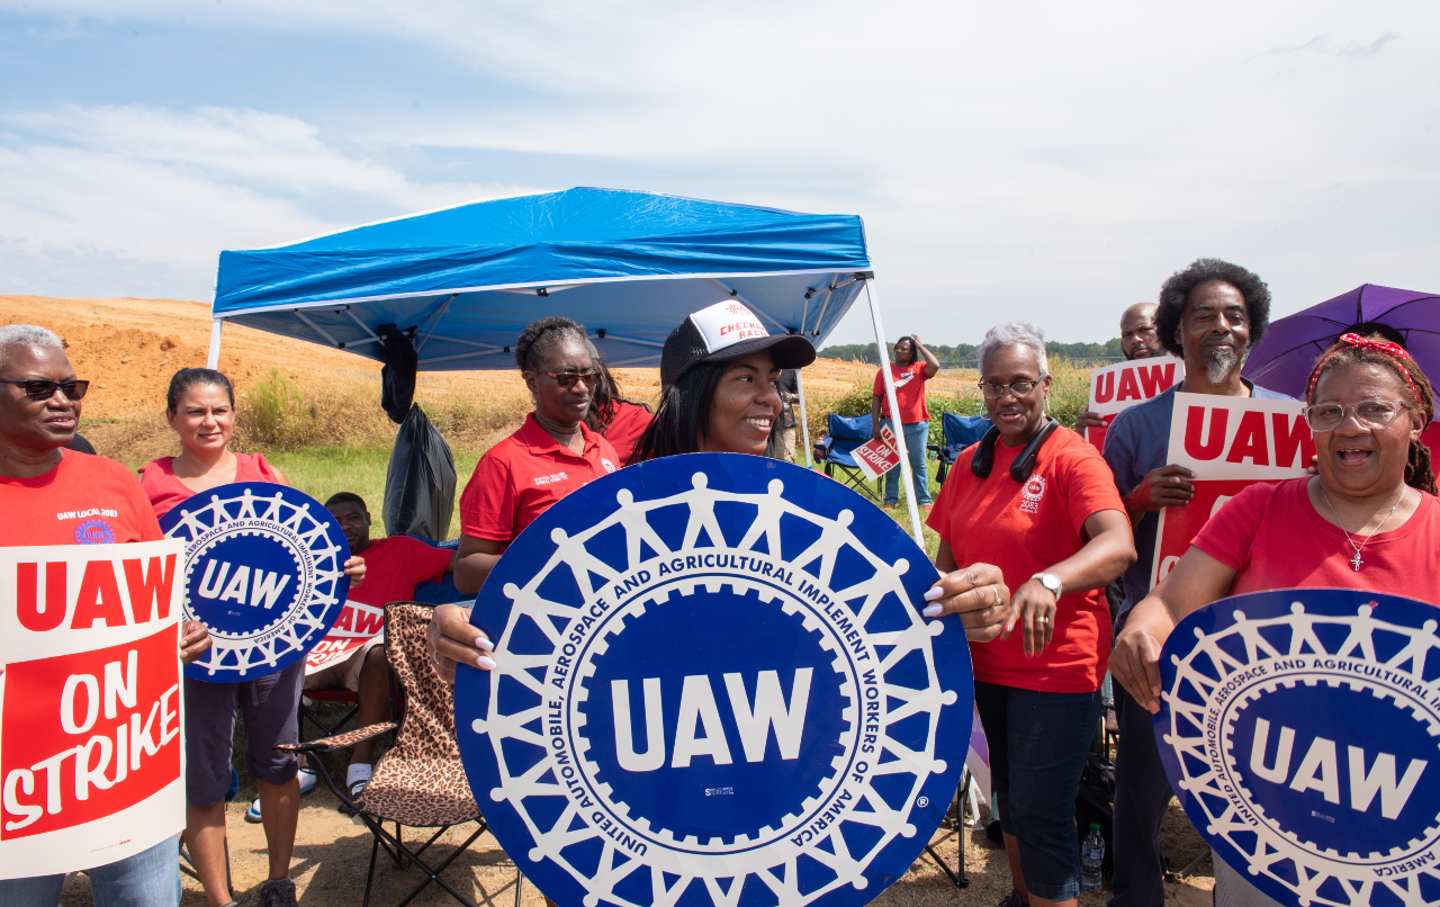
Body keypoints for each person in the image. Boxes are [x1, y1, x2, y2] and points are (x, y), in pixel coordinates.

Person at [1111, 332, 1440, 905]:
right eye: (1329, 411)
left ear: (1414, 422)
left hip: (1404, 834)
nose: (1350, 426)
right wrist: (1141, 630)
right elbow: (1167, 603)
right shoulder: (1257, 508)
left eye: (1374, 409)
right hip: (1265, 821)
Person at [430, 298, 817, 681]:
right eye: (746, 378)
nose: (771, 399)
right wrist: (464, 618)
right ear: (696, 392)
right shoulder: (644, 502)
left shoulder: (802, 508)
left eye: (773, 380)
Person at [922, 321, 1134, 907]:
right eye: (993, 386)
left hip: (1056, 668)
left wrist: (1051, 578)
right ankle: (1024, 896)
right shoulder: (968, 462)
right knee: (1011, 802)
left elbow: (1118, 545)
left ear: (1044, 384)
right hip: (988, 665)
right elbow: (947, 561)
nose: (1006, 398)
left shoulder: (1074, 460)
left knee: (1041, 813)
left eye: (1020, 384)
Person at [0, 325, 210, 907]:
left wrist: (177, 632)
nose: (63, 400)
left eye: (72, 386)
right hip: (17, 775)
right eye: (39, 387)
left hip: (127, 755)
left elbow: (157, 599)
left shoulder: (115, 481)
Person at [140, 367, 365, 907]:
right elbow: (134, 577)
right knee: (204, 774)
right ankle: (221, 898)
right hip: (195, 657)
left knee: (280, 760)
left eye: (219, 410)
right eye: (195, 411)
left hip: (273, 647)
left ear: (234, 415)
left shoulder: (264, 471)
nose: (209, 421)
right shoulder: (148, 484)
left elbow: (300, 549)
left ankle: (279, 882)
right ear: (172, 417)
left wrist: (339, 568)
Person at [1102, 259, 1284, 907]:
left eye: (1234, 314)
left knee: (1261, 787)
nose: (1221, 326)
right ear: (1179, 329)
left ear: (1252, 326)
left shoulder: (1288, 424)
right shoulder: (1136, 426)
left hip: (1262, 643)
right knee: (1144, 790)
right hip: (1159, 639)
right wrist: (1142, 497)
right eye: (1204, 315)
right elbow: (1096, 534)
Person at [272, 492, 453, 814]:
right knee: (279, 657)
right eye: (335, 521)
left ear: (369, 518)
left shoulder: (401, 551)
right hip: (317, 656)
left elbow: (461, 557)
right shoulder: (310, 559)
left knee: (380, 650)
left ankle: (361, 763)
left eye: (353, 518)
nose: (345, 527)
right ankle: (295, 765)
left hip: (367, 657)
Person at [453, 316, 619, 598]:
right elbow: (466, 573)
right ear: (531, 381)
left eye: (589, 376)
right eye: (566, 378)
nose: (581, 388)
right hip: (545, 625)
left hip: (605, 615)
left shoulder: (603, 448)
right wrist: (552, 561)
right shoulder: (502, 463)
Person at [1073, 302, 1164, 433]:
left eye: (1144, 330)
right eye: (1127, 334)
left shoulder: (1192, 380)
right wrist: (1084, 435)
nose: (1135, 339)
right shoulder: (1111, 393)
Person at [871, 334, 939, 508]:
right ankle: (891, 499)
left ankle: (923, 499)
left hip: (917, 425)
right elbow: (877, 397)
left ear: (911, 353)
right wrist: (876, 424)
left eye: (905, 349)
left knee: (919, 464)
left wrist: (920, 345)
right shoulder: (885, 370)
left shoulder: (919, 368)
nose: (899, 350)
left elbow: (935, 365)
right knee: (893, 463)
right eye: (897, 347)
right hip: (891, 423)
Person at [586, 351, 652, 465]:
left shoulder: (632, 420)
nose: (578, 386)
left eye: (585, 375)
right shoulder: (550, 424)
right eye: (564, 379)